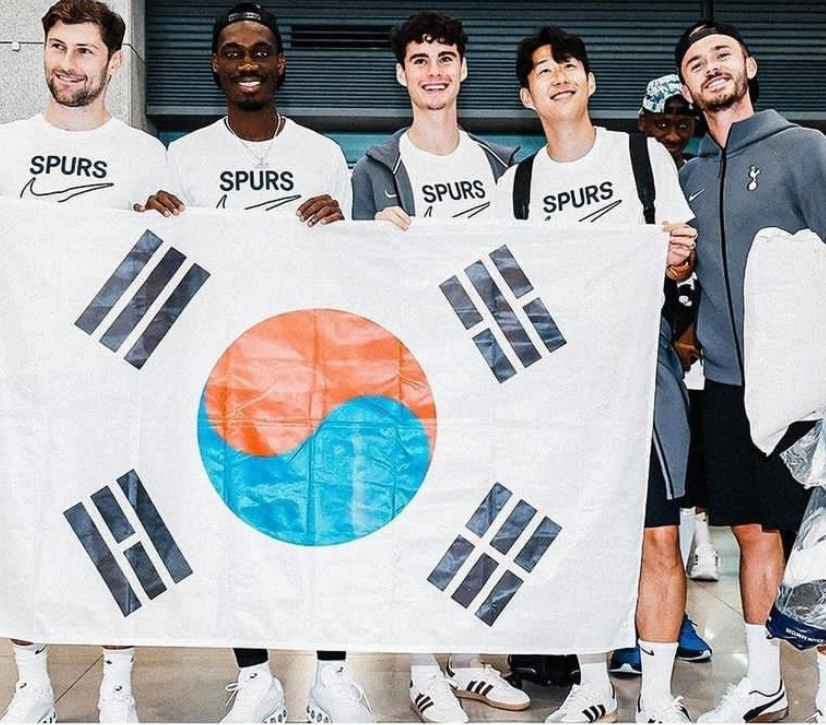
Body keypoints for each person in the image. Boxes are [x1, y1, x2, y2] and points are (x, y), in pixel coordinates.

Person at [0, 1, 167, 722]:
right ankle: (30, 681)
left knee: (117, 525)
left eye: (84, 50)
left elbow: (165, 271)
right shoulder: (2, 145)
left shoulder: (144, 154)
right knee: (17, 521)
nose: (68, 63)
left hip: (110, 379)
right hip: (22, 376)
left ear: (114, 62)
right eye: (57, 47)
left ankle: (117, 683)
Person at [139, 4, 363, 722]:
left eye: (260, 51)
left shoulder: (322, 155)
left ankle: (331, 678)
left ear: (280, 64)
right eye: (233, 52)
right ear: (215, 64)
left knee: (325, 524)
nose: (247, 63)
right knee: (237, 529)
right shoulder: (184, 158)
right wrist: (154, 220)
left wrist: (344, 225)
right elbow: (168, 269)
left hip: (310, 367)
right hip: (227, 374)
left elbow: (352, 271)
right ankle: (258, 679)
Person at [674, 20, 826, 723]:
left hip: (806, 384)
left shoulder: (802, 148)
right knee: (749, 535)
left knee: (822, 539)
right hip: (728, 387)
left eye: (722, 54)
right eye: (695, 62)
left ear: (749, 66)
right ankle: (764, 682)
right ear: (686, 86)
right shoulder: (688, 177)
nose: (710, 66)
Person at [493, 27, 699, 724]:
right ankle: (591, 683)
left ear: (589, 82)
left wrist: (676, 256)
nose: (558, 76)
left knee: (657, 535)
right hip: (563, 385)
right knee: (579, 532)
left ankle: (659, 695)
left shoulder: (640, 157)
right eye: (541, 70)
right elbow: (497, 282)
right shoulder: (517, 184)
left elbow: (681, 257)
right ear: (527, 96)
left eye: (569, 65)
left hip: (641, 372)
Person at [350, 11, 528, 724]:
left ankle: (470, 660)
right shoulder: (375, 169)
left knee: (477, 509)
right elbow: (353, 279)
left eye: (445, 57)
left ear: (463, 69)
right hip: (406, 371)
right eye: (420, 60)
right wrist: (371, 238)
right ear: (401, 75)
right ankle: (424, 667)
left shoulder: (501, 166)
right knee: (417, 513)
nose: (433, 71)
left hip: (483, 368)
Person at [607, 73, 714, 681]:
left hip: (687, 370)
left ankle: (673, 617)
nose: (673, 134)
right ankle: (621, 619)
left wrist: (694, 330)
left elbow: (713, 269)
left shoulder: (701, 177)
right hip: (624, 363)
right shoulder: (626, 174)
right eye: (662, 123)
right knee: (624, 498)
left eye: (682, 123)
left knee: (675, 497)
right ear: (642, 124)